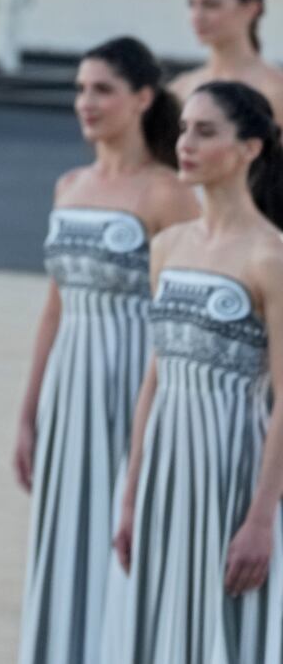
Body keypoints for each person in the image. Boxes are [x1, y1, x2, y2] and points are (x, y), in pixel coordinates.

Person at [12, 37, 199, 663]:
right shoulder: (69, 184)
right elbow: (54, 306)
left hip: (133, 382)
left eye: (102, 90)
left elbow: (180, 308)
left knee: (124, 530)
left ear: (142, 98)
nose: (86, 102)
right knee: (65, 531)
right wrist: (29, 410)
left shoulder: (168, 192)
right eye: (81, 89)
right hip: (71, 385)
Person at [106, 81, 283, 662]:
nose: (187, 143)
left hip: (236, 461)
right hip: (165, 463)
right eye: (185, 128)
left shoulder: (270, 256)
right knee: (161, 623)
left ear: (251, 148)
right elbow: (153, 379)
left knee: (230, 629)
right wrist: (131, 495)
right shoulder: (170, 246)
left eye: (206, 132)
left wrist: (262, 518)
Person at [169, 0, 283, 117]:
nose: (197, 16)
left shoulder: (276, 91)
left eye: (211, 4)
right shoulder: (179, 90)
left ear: (251, 8)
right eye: (192, 4)